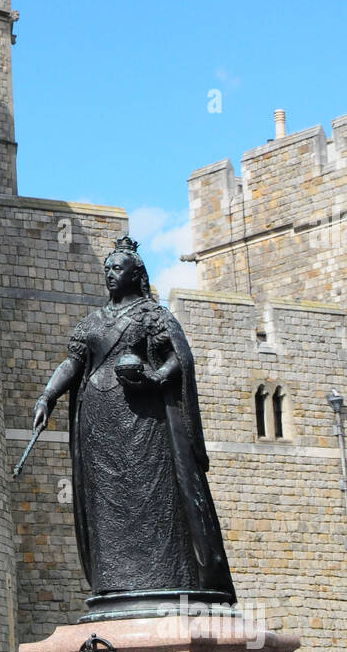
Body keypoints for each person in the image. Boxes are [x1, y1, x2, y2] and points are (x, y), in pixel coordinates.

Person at [32, 236, 235, 613]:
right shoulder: (92, 322)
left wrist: (156, 379)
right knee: (105, 504)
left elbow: (178, 359)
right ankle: (114, 582)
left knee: (153, 497)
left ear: (135, 274)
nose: (110, 274)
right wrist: (48, 396)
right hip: (98, 423)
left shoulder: (151, 315)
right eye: (107, 268)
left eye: (117, 269)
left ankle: (166, 579)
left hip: (145, 424)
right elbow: (73, 363)